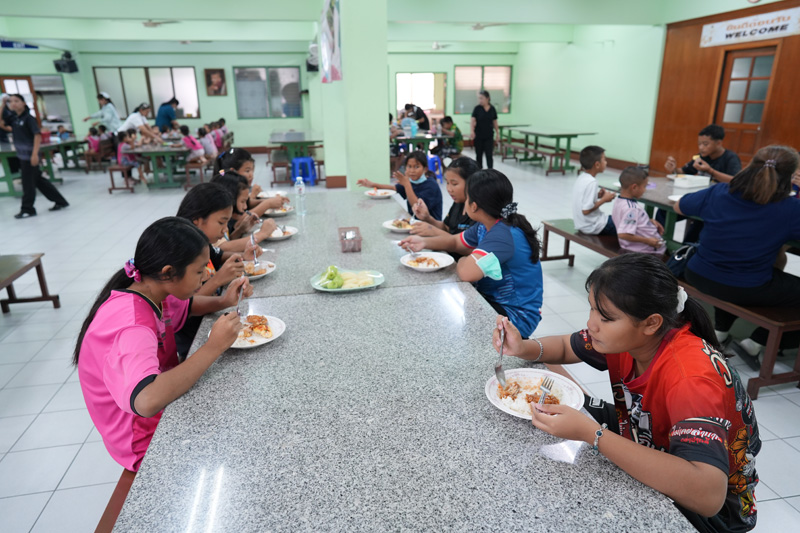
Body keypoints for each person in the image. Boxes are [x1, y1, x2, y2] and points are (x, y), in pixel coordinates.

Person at [493, 253, 760, 532]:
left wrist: (592, 434)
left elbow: (708, 495)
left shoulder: (690, 377)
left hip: (714, 512)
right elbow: (565, 346)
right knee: (573, 410)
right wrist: (522, 347)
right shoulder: (632, 339)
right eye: (592, 309)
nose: (592, 324)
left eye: (606, 317)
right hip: (644, 431)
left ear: (651, 323)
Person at [74, 217, 251, 472]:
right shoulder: (132, 325)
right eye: (199, 271)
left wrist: (224, 301)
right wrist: (214, 346)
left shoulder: (153, 291)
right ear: (168, 272)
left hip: (162, 408)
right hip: (143, 441)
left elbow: (188, 306)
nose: (205, 278)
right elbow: (146, 400)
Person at [677, 145, 800, 370]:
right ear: (790, 176)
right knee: (747, 275)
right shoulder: (790, 208)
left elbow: (680, 206)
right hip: (744, 286)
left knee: (735, 268)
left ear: (750, 165)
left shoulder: (720, 191)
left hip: (698, 273)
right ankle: (756, 342)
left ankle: (721, 331)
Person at [400, 169, 543, 337]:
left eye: (467, 198)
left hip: (515, 315)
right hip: (492, 300)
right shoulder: (486, 224)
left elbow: (466, 273)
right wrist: (423, 242)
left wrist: (463, 260)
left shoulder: (502, 235)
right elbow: (455, 242)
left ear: (474, 206)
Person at [1, 94, 69, 218]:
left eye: (16, 101)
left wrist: (34, 155)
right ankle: (60, 201)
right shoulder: (14, 119)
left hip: (30, 156)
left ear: (23, 103)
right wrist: (3, 104)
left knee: (27, 183)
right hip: (22, 155)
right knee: (38, 181)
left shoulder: (28, 118)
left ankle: (27, 209)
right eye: (11, 101)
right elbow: (1, 123)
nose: (13, 103)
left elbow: (37, 136)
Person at [357, 151, 443, 221]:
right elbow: (393, 188)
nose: (412, 170)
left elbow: (417, 208)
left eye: (416, 167)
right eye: (409, 166)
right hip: (415, 223)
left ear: (425, 169)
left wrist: (407, 184)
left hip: (431, 228)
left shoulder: (431, 185)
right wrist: (372, 184)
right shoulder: (411, 181)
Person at [410, 156, 480, 237]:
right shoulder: (458, 202)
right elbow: (447, 228)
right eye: (447, 183)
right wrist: (427, 218)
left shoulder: (478, 211)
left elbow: (465, 243)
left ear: (471, 183)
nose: (449, 189)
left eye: (454, 184)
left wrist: (434, 231)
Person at [214, 147, 289, 217]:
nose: (251, 175)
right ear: (233, 171)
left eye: (252, 170)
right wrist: (267, 204)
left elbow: (247, 203)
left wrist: (270, 201)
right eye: (247, 171)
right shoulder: (226, 192)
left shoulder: (237, 186)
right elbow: (240, 218)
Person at [611, 166, 666, 255]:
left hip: (637, 248)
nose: (645, 190)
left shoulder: (619, 201)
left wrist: (648, 221)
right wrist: (648, 241)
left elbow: (625, 220)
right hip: (644, 251)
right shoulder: (631, 208)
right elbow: (623, 234)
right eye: (644, 186)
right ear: (634, 187)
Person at [665, 124, 742, 184]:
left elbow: (735, 181)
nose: (701, 147)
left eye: (705, 144)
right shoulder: (701, 157)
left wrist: (710, 171)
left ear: (718, 143)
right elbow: (684, 171)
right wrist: (674, 169)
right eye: (699, 144)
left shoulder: (731, 158)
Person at [572, 145, 616, 236]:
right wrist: (604, 199)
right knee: (625, 224)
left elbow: (583, 199)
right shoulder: (592, 182)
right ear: (597, 164)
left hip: (582, 224)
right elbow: (586, 211)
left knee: (618, 219)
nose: (606, 162)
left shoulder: (582, 177)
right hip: (594, 226)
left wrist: (598, 195)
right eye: (604, 160)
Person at [470, 90, 500, 169]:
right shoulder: (477, 108)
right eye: (479, 98)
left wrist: (497, 133)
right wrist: (472, 131)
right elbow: (472, 120)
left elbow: (495, 122)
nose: (480, 100)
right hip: (478, 135)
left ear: (487, 98)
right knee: (479, 155)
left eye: (481, 98)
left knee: (489, 155)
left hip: (489, 135)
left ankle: (490, 171)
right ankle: (479, 171)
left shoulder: (492, 109)